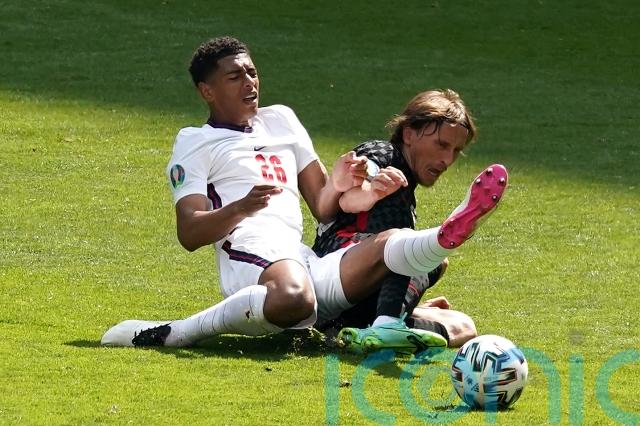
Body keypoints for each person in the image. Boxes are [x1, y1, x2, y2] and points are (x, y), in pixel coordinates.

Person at [101, 37, 507, 353]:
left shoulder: (282, 120)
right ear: (207, 91)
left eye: (252, 72)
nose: (250, 82)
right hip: (250, 250)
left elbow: (324, 208)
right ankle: (177, 332)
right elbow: (189, 232)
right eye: (235, 77)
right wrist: (241, 207)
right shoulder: (195, 142)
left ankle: (437, 247)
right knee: (295, 297)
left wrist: (346, 184)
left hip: (301, 256)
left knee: (393, 244)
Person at [313, 90, 486, 349]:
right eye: (441, 145)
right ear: (408, 134)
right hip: (336, 276)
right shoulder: (382, 154)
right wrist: (372, 192)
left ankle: (380, 325)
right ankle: (385, 325)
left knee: (463, 326)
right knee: (421, 251)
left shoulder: (407, 192)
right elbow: (350, 196)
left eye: (456, 151)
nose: (447, 160)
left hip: (358, 304)